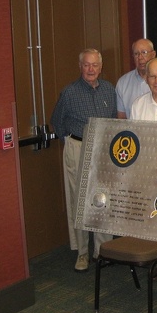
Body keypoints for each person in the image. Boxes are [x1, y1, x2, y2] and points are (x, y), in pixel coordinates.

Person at [51, 48, 117, 272]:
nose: (91, 69)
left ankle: (103, 250)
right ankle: (82, 253)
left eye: (95, 65)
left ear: (101, 67)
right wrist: (72, 143)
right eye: (86, 65)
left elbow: (113, 120)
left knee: (102, 199)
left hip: (103, 149)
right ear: (80, 67)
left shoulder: (109, 90)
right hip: (77, 147)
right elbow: (57, 121)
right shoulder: (69, 92)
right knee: (79, 201)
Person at [116, 38, 157, 119]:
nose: (140, 57)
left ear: (153, 54)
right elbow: (121, 119)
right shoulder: (123, 83)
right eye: (136, 54)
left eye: (144, 52)